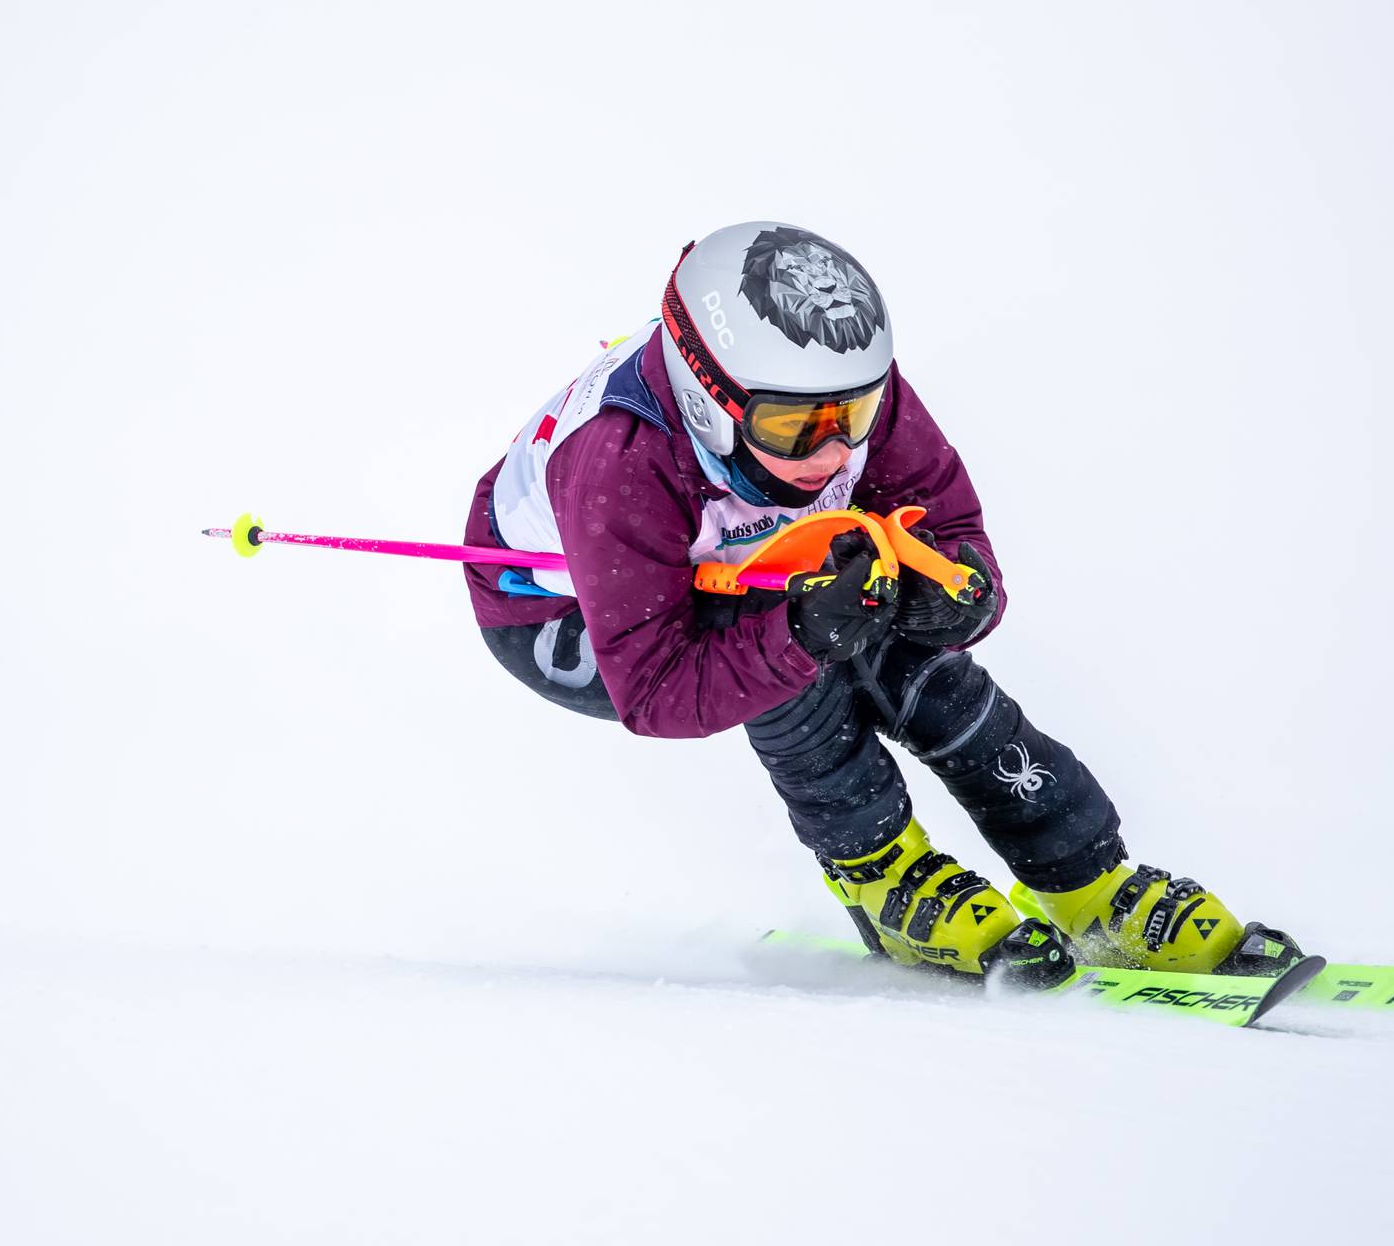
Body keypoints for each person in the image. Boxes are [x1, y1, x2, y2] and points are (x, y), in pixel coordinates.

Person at [464, 221, 1300, 981]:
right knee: (785, 648)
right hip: (566, 618)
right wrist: (797, 635)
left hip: (751, 554)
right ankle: (878, 871)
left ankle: (1087, 879)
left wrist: (955, 596)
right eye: (794, 427)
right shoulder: (621, 461)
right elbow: (655, 691)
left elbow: (951, 526)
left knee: (898, 639)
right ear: (705, 400)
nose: (834, 449)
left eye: (854, 412)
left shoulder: (846, 393)